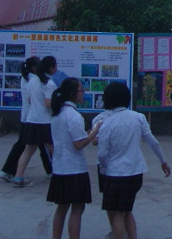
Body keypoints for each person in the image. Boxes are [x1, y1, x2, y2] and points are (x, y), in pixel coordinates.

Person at [96, 81, 171, 239]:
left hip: (115, 173)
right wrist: (163, 161)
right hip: (135, 172)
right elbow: (153, 142)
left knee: (118, 214)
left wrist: (103, 168)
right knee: (126, 210)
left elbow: (102, 154)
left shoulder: (105, 123)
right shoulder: (138, 117)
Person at [48, 78, 100, 239]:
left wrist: (87, 134)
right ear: (72, 93)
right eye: (81, 90)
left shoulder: (57, 114)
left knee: (61, 208)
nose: (83, 93)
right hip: (74, 169)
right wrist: (95, 131)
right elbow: (79, 144)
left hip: (59, 167)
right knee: (77, 208)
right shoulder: (74, 116)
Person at [0, 56, 53, 183]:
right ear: (34, 68)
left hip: (29, 117)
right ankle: (8, 171)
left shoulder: (27, 78)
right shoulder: (35, 80)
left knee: (34, 146)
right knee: (33, 146)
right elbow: (36, 100)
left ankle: (49, 170)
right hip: (36, 119)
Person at [13, 55, 57, 186]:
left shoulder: (32, 81)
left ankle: (18, 177)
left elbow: (29, 100)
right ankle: (60, 175)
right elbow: (48, 104)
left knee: (28, 150)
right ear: (51, 68)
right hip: (45, 121)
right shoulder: (49, 84)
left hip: (32, 120)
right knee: (54, 150)